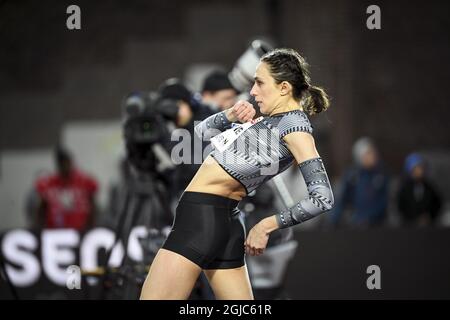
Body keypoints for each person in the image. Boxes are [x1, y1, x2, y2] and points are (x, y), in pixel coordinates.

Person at [140, 48, 334, 300]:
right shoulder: (273, 121)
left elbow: (323, 197)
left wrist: (267, 225)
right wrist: (229, 115)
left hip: (200, 220)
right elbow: (193, 141)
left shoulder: (294, 128)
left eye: (259, 82)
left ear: (284, 87)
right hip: (225, 224)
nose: (252, 91)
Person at [32, 146, 98, 231]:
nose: (64, 165)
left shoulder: (85, 181)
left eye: (66, 161)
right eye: (61, 162)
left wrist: (92, 227)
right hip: (54, 231)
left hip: (80, 230)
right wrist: (39, 228)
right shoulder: (49, 183)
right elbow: (42, 208)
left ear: (71, 161)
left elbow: (93, 206)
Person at [329, 137, 389, 228]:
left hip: (377, 224)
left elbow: (383, 201)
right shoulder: (352, 176)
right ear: (359, 156)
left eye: (373, 152)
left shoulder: (381, 175)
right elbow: (342, 199)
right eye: (368, 153)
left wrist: (370, 217)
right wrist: (334, 220)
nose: (372, 156)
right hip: (356, 224)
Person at [396, 153, 442, 226]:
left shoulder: (429, 187)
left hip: (429, 226)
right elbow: (400, 207)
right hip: (409, 226)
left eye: (420, 168)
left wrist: (429, 217)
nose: (418, 171)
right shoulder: (404, 188)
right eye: (415, 169)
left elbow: (437, 204)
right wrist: (413, 218)